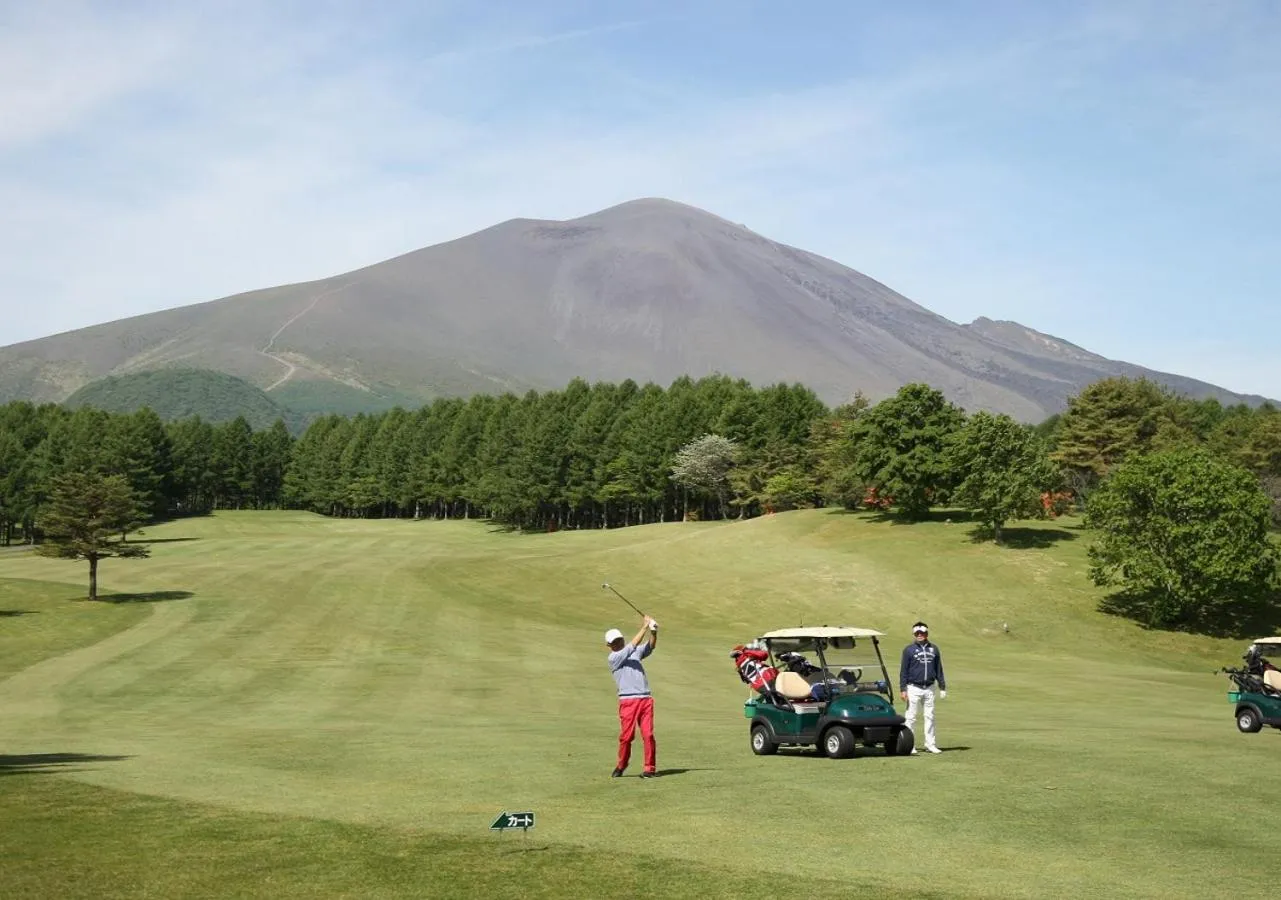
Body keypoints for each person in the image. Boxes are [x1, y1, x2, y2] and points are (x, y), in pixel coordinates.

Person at [605, 615, 659, 778]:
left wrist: (654, 632)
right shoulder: (613, 658)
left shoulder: (634, 652)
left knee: (648, 734)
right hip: (628, 701)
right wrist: (644, 627)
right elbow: (632, 645)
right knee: (627, 737)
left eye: (619, 639)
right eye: (614, 642)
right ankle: (622, 765)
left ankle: (649, 769)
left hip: (645, 699)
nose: (618, 643)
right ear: (609, 645)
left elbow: (649, 647)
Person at [898, 621, 947, 754]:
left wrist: (942, 686)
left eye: (922, 633)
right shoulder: (909, 650)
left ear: (927, 633)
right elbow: (904, 671)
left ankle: (930, 744)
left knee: (930, 716)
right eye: (917, 633)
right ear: (914, 634)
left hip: (929, 687)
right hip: (913, 687)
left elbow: (938, 669)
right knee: (911, 717)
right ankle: (910, 745)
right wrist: (903, 689)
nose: (919, 635)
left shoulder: (934, 649)